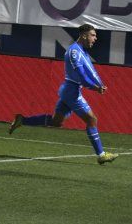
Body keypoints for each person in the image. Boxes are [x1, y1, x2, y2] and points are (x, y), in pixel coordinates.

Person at [8, 24, 118, 165]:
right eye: (93, 35)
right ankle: (101, 155)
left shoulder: (81, 51)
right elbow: (82, 76)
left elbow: (88, 73)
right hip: (72, 91)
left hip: (69, 90)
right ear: (84, 35)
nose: (95, 38)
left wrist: (98, 84)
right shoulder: (74, 52)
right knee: (92, 120)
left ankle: (22, 120)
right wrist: (95, 87)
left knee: (56, 122)